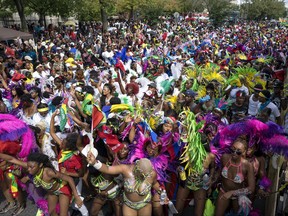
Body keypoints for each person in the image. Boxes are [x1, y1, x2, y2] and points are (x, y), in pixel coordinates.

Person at [0, 152, 83, 216]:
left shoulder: (49, 172)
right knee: (51, 212)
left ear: (40, 165)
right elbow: (11, 159)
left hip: (62, 190)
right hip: (51, 192)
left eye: (32, 167)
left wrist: (76, 196)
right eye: (28, 166)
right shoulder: (31, 167)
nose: (29, 169)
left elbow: (69, 178)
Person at [87, 154, 167, 216]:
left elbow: (155, 184)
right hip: (129, 206)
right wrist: (94, 163)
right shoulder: (125, 169)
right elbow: (108, 169)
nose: (144, 177)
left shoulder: (152, 173)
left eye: (146, 175)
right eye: (142, 174)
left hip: (145, 205)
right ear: (136, 167)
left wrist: (162, 193)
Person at [215, 137, 255, 216]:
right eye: (233, 149)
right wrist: (211, 181)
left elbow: (251, 188)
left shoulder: (247, 165)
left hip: (238, 196)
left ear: (244, 152)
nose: (234, 153)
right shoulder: (225, 157)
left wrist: (232, 193)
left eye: (238, 151)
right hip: (224, 191)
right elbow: (219, 173)